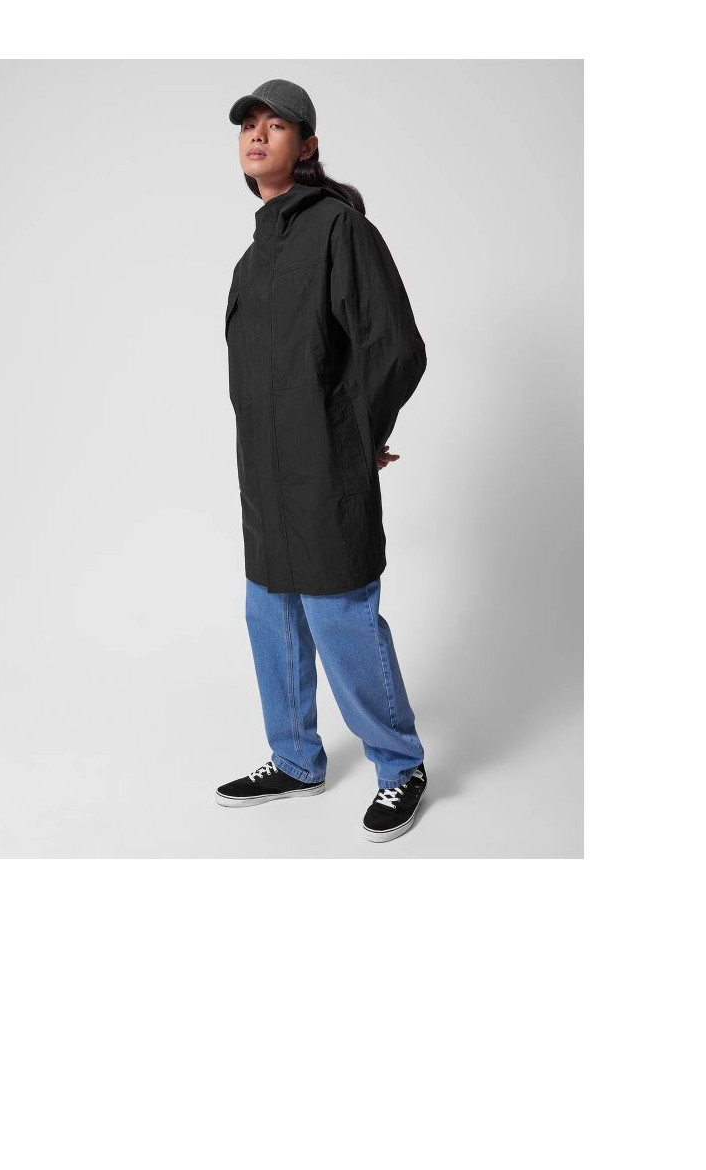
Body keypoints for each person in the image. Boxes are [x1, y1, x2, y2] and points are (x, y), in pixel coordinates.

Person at [215, 78, 429, 843]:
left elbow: (395, 347)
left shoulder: (339, 230)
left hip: (325, 476)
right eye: (248, 125)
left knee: (341, 619)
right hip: (263, 479)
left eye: (276, 125)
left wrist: (358, 435)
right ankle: (296, 759)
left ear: (306, 145)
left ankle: (401, 764)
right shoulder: (251, 262)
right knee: (269, 616)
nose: (257, 134)